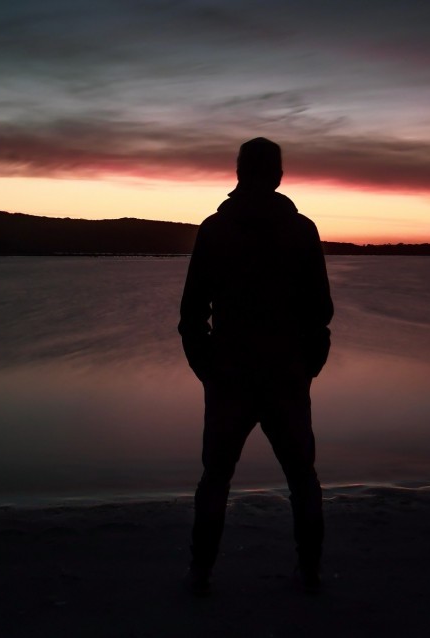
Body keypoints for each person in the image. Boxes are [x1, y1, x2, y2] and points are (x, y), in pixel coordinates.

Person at [178, 137, 334, 595]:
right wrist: (308, 361)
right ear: (278, 175)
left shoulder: (214, 229)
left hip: (232, 373)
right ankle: (310, 571)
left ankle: (200, 572)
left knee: (216, 477)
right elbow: (320, 310)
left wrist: (207, 363)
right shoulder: (301, 230)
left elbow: (191, 314)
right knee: (302, 477)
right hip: (283, 372)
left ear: (241, 173)